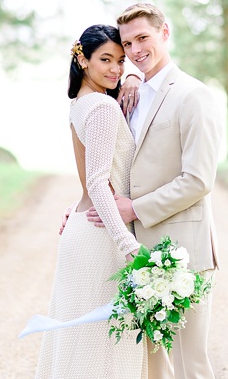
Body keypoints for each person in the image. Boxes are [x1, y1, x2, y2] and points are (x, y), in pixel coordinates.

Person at [86, 3, 222, 379]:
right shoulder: (128, 95)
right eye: (127, 44)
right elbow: (112, 166)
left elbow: (198, 180)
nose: (134, 50)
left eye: (142, 38)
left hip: (184, 252)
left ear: (165, 33)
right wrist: (79, 205)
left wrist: (135, 209)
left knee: (189, 363)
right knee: (150, 364)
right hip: (138, 254)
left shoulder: (194, 95)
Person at [37, 24, 147, 378]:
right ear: (82, 59)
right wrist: (127, 244)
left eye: (120, 60)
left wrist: (131, 76)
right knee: (104, 354)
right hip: (102, 238)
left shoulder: (81, 103)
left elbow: (90, 181)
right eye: (106, 60)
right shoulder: (101, 106)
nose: (115, 69)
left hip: (85, 230)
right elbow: (98, 182)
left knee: (81, 349)